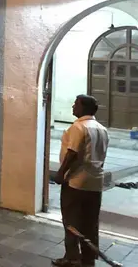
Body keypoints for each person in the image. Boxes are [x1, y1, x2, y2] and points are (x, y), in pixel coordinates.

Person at [52, 95, 109, 267]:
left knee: (71, 221)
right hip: (95, 182)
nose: (72, 106)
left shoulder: (78, 127)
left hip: (76, 182)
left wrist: (61, 173)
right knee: (90, 222)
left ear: (84, 108)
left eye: (76, 104)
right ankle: (88, 258)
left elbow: (73, 153)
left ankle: (72, 258)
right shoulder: (101, 129)